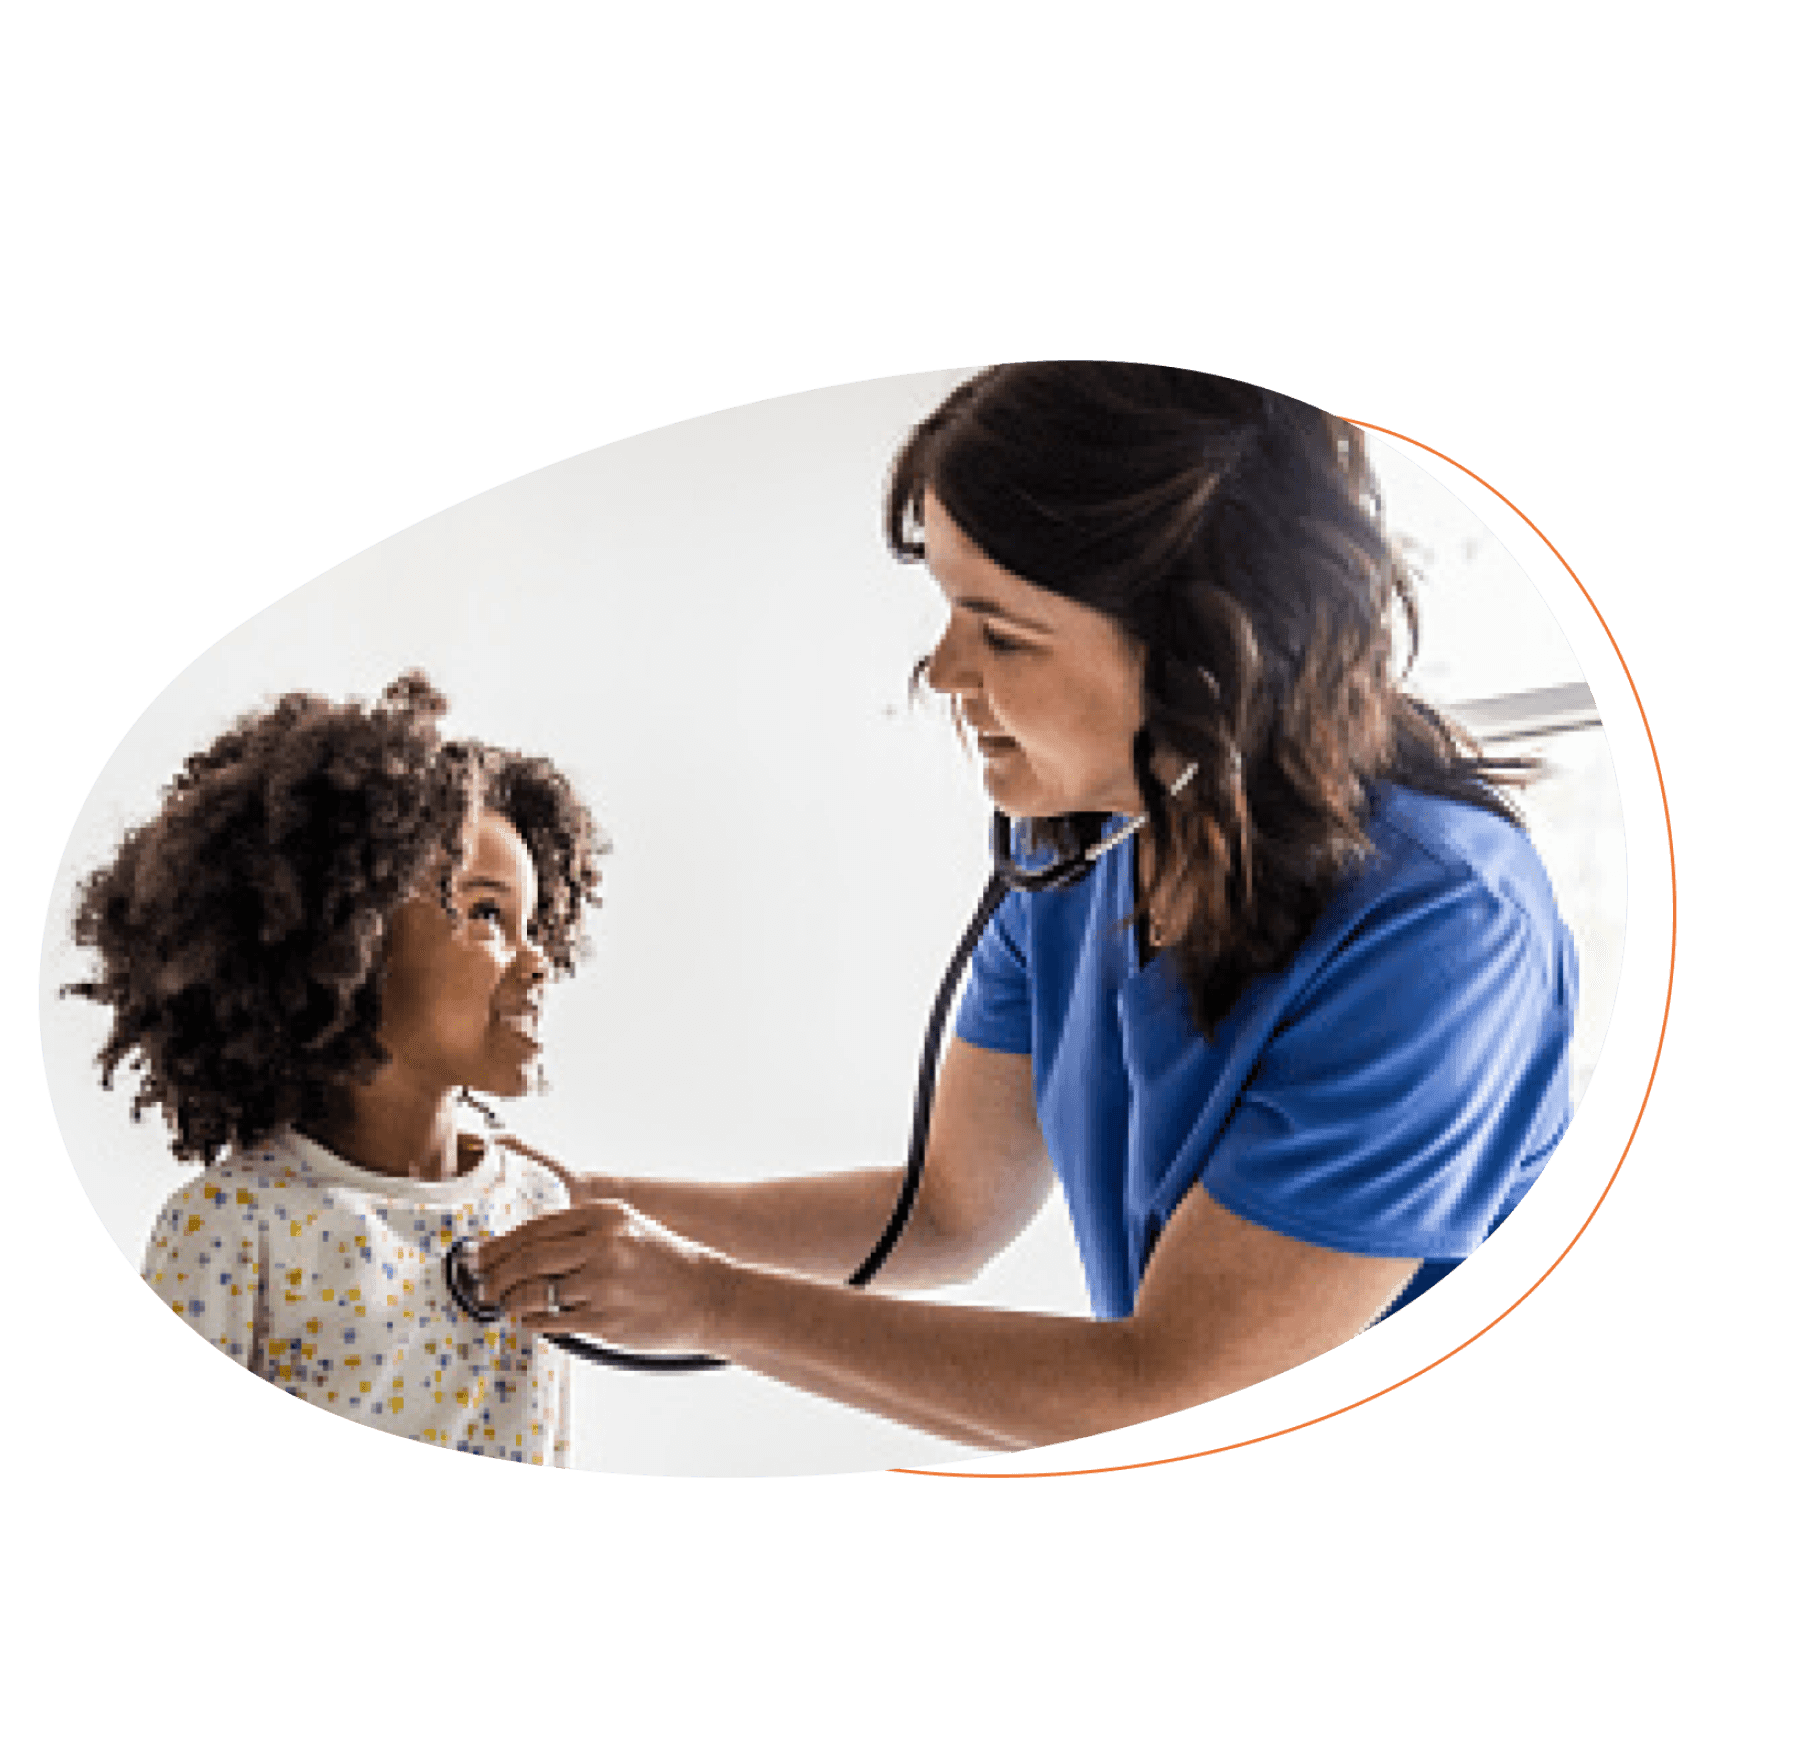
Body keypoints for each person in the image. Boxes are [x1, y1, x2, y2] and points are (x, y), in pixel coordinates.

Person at [475, 363, 1578, 1456]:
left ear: (1211, 664)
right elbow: (948, 1210)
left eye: (1002, 634)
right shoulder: (1087, 844)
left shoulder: (1442, 932)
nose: (944, 670)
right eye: (950, 608)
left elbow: (1168, 1391)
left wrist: (711, 1304)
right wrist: (575, 1201)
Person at [70, 674, 606, 1464]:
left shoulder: (538, 1208)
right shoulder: (229, 1229)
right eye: (488, 914)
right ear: (353, 932)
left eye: (538, 927)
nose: (539, 963)